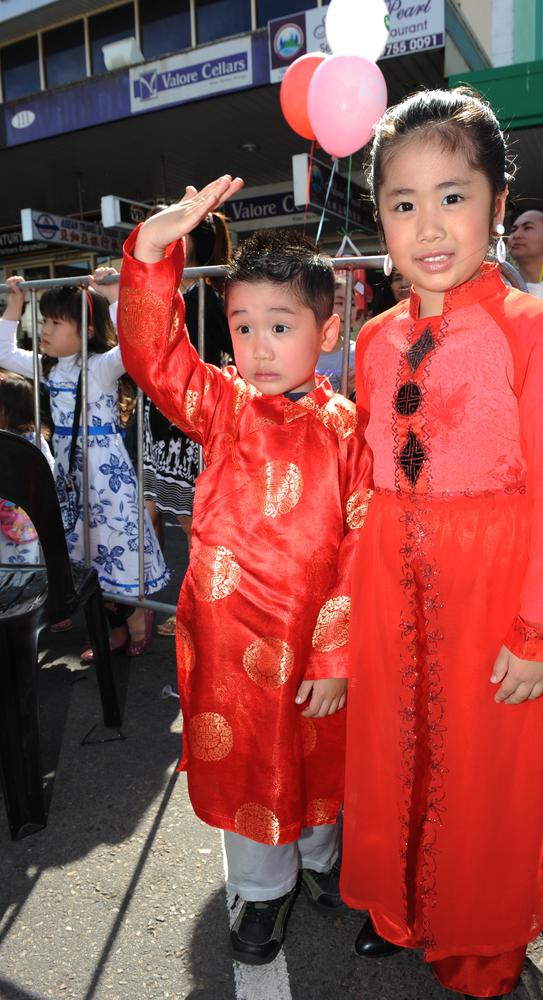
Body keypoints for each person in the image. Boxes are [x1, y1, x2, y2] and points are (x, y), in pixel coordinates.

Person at [341, 88, 543, 999]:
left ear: (497, 200)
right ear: (381, 219)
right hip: (387, 592)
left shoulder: (536, 332)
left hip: (495, 598)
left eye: (454, 194)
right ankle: (402, 907)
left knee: (487, 774)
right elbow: (365, 487)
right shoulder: (370, 342)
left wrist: (540, 628)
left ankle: (481, 943)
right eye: (403, 204)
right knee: (393, 753)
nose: (430, 224)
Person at [116, 183, 374, 967]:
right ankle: (263, 894)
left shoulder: (348, 429)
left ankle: (326, 863)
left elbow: (363, 543)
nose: (258, 347)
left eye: (281, 326)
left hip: (315, 636)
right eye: (243, 326)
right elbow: (153, 355)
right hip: (230, 636)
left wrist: (335, 657)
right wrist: (152, 250)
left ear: (329, 331)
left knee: (321, 757)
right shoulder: (222, 405)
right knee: (252, 767)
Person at [0, 276, 168, 658]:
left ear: (87, 329)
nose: (45, 330)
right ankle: (109, 628)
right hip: (70, 477)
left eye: (56, 323)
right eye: (44, 322)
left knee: (115, 546)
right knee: (83, 554)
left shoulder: (99, 366)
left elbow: (132, 348)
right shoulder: (47, 367)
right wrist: (15, 303)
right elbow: (4, 352)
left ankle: (138, 621)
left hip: (106, 478)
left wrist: (113, 300)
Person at [142, 211, 234, 637]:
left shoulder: (207, 298)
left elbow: (217, 363)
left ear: (191, 243)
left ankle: (204, 614)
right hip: (169, 426)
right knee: (189, 524)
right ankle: (199, 609)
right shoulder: (181, 294)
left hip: (191, 431)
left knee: (200, 528)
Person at [0, 373, 54, 567]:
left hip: (18, 520)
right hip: (25, 520)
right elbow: (50, 474)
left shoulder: (11, 440)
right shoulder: (36, 440)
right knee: (23, 571)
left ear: (6, 410)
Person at [316, 276, 356, 395]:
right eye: (339, 303)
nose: (347, 310)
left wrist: (349, 391)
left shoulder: (357, 352)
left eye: (352, 304)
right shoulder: (299, 354)